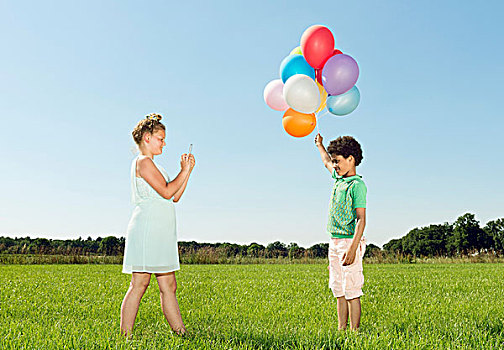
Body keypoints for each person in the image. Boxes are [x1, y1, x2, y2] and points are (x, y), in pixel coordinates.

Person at [120, 113, 195, 336]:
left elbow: (175, 196)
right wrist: (182, 171)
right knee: (139, 284)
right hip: (147, 230)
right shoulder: (143, 163)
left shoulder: (155, 166)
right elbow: (167, 190)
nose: (164, 143)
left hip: (160, 231)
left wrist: (187, 171)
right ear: (147, 138)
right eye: (161, 138)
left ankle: (181, 333)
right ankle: (125, 336)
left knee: (169, 285)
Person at [315, 133, 367, 331]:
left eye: (338, 161)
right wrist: (319, 145)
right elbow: (326, 161)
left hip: (349, 242)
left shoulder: (357, 186)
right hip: (334, 241)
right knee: (338, 289)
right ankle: (341, 329)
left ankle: (354, 332)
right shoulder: (338, 178)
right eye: (334, 161)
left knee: (352, 289)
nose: (334, 165)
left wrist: (353, 249)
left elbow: (362, 220)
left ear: (350, 159)